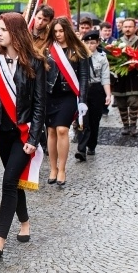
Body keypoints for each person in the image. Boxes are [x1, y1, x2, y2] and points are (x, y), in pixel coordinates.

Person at [0, 13, 46, 257]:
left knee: (8, 182)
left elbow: (39, 105)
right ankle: (24, 221)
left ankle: (0, 240)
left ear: (16, 32)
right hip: (3, 133)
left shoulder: (35, 62)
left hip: (23, 134)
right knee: (14, 181)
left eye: (4, 29)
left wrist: (33, 139)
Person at [44, 16, 89, 184]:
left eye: (61, 31)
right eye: (55, 31)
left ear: (67, 31)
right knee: (51, 131)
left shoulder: (78, 49)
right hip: (50, 94)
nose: (58, 34)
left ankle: (62, 169)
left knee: (62, 129)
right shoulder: (47, 49)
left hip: (68, 95)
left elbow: (84, 77)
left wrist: (82, 99)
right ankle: (53, 168)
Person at [111, 18, 138, 136]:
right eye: (125, 27)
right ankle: (125, 126)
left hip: (136, 77)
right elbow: (111, 58)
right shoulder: (117, 43)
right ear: (122, 28)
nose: (127, 29)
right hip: (121, 78)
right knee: (121, 103)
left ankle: (133, 126)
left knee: (134, 102)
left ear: (135, 28)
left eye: (130, 27)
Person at [75, 30, 111, 159]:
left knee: (94, 120)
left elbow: (105, 78)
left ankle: (92, 145)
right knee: (82, 119)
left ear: (97, 43)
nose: (89, 45)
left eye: (92, 43)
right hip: (82, 89)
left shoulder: (102, 57)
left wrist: (108, 94)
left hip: (96, 90)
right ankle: (81, 149)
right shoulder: (79, 56)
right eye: (87, 42)